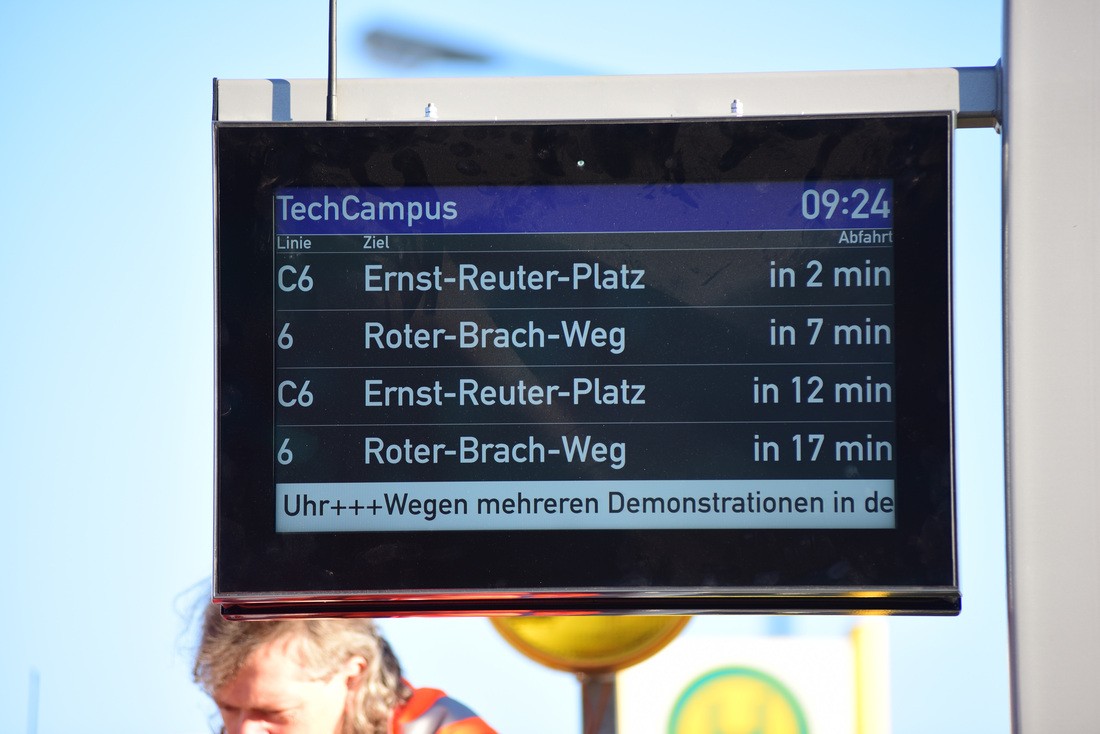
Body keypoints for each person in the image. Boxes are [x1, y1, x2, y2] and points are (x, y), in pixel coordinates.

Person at [193, 604, 497, 734]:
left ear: (352, 678)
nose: (245, 731)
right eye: (228, 708)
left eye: (273, 713)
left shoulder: (444, 727)